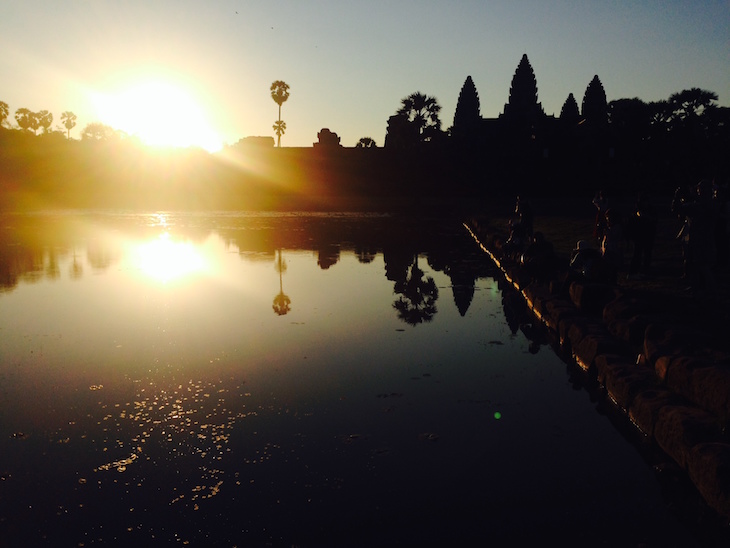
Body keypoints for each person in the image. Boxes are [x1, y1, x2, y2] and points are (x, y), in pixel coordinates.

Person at [627, 192, 657, 279]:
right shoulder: (638, 210)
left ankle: (644, 271)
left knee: (646, 254)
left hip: (647, 234)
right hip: (640, 235)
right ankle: (634, 271)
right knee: (638, 254)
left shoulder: (648, 210)